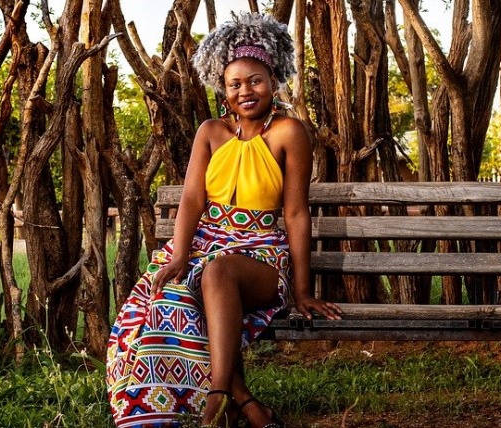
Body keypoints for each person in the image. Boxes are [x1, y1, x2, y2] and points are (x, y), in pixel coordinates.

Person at [106, 12, 343, 428]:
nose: (245, 91)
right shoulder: (211, 132)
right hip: (204, 245)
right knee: (168, 297)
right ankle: (245, 404)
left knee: (216, 274)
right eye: (234, 84)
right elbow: (192, 198)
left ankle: (216, 399)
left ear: (273, 79)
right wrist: (179, 255)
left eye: (255, 81)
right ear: (223, 88)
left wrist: (303, 290)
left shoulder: (289, 133)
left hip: (261, 254)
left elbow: (295, 212)